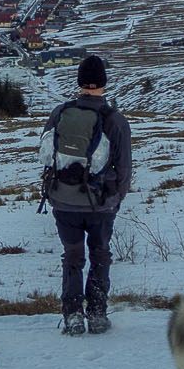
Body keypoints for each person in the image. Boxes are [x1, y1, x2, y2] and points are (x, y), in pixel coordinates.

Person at [38, 54, 132, 335]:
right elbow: (124, 167)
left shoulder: (60, 112)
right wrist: (117, 197)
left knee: (73, 255)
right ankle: (97, 313)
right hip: (101, 203)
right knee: (100, 254)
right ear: (104, 83)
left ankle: (72, 316)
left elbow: (46, 154)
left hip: (63, 199)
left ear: (79, 82)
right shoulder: (115, 120)